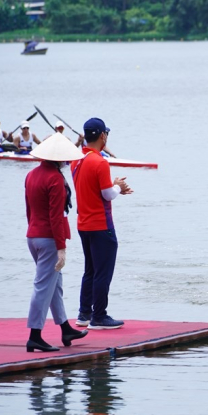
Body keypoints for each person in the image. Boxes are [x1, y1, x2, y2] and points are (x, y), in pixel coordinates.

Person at [25, 133, 89, 352]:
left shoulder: (31, 175)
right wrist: (61, 247)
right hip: (49, 238)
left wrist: (33, 232)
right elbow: (55, 216)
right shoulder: (54, 178)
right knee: (43, 286)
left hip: (33, 236)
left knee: (54, 284)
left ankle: (65, 328)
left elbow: (29, 210)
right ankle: (35, 335)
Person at [71, 118, 133, 330]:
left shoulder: (76, 159)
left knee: (90, 269)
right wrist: (118, 187)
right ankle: (99, 316)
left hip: (83, 224)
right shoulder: (100, 162)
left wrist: (114, 186)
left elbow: (93, 189)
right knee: (102, 272)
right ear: (102, 136)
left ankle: (84, 314)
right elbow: (107, 194)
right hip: (100, 224)